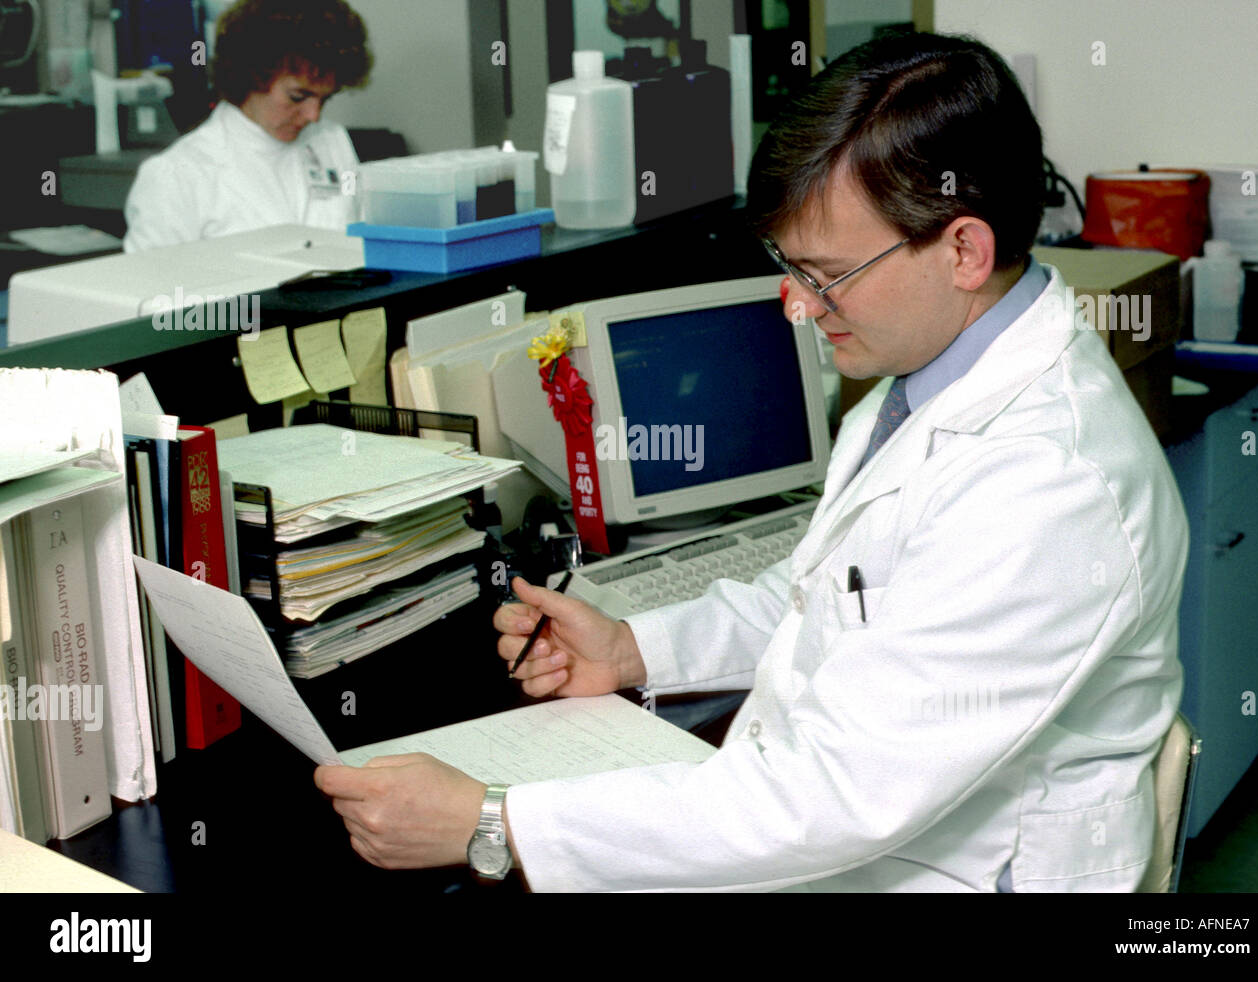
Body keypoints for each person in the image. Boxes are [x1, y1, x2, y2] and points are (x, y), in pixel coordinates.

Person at [314, 32, 1189, 892]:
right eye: (789, 264)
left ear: (963, 250)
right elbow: (829, 596)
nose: (798, 305)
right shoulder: (927, 373)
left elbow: (831, 796)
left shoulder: (1048, 483)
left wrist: (495, 823)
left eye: (827, 273)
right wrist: (631, 649)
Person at [122, 0, 371, 253]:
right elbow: (149, 287)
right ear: (252, 76)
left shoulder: (331, 141)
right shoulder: (176, 174)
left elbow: (360, 234)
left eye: (325, 98)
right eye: (297, 97)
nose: (313, 115)